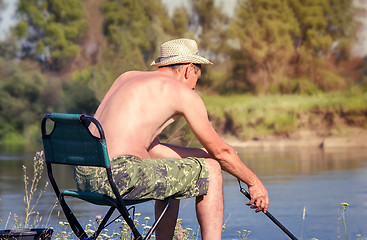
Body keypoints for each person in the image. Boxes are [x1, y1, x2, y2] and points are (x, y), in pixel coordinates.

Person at [74, 38, 269, 240]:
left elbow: (151, 149)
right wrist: (253, 183)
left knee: (174, 167)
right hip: (117, 176)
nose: (194, 87)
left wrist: (206, 156)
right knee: (211, 171)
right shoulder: (182, 94)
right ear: (188, 70)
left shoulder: (126, 78)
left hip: (85, 176)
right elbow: (222, 152)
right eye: (197, 78)